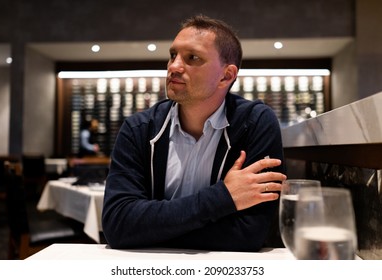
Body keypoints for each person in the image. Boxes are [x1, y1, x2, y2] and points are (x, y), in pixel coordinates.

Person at [102, 15, 287, 252]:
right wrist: (224, 198)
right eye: (172, 55)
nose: (174, 66)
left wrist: (152, 229)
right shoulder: (139, 129)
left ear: (226, 76)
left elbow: (250, 233)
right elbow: (118, 225)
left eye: (193, 58)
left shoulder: (255, 123)